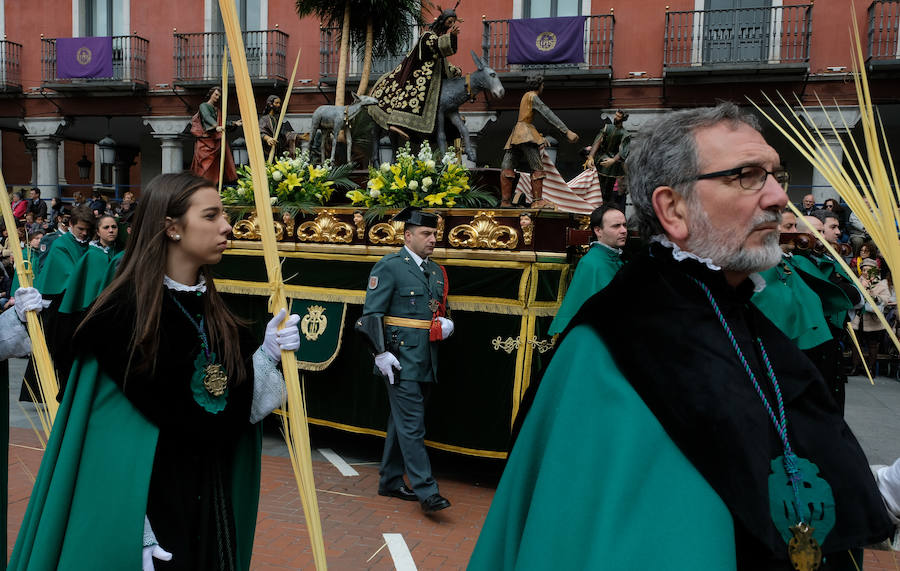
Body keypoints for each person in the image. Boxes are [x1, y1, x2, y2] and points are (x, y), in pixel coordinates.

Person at [469, 103, 891, 569]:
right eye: (748, 175)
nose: (777, 197)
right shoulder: (615, 339)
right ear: (674, 209)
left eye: (775, 174)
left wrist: (878, 487)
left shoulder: (740, 308)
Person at [10, 172, 302, 570]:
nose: (227, 227)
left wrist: (265, 357)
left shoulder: (220, 316)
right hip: (147, 511)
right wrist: (134, 527)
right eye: (212, 215)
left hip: (209, 503)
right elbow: (104, 447)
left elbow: (233, 413)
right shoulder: (117, 320)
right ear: (172, 228)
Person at [357, 206, 454, 514]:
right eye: (426, 234)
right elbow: (371, 314)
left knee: (403, 423)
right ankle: (427, 491)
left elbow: (436, 310)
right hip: (398, 359)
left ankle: (389, 479)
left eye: (435, 234)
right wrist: (380, 353)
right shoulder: (390, 266)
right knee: (412, 425)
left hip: (426, 358)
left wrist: (446, 323)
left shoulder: (436, 271)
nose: (432, 239)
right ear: (408, 235)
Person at [369, 8, 461, 140]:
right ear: (442, 21)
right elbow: (437, 47)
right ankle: (397, 123)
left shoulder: (435, 38)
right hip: (420, 75)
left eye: (453, 22)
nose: (451, 25)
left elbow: (443, 62)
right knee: (415, 94)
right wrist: (452, 36)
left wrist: (455, 70)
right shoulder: (427, 36)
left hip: (433, 78)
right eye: (449, 22)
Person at [499, 74, 579, 209]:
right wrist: (567, 131)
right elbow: (547, 114)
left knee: (507, 166)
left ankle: (505, 201)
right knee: (537, 167)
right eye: (543, 85)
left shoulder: (525, 96)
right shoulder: (532, 96)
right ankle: (537, 201)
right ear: (540, 86)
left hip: (517, 133)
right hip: (525, 133)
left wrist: (538, 135)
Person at [548, 204, 626, 335]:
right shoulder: (591, 263)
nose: (623, 230)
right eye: (616, 226)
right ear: (598, 231)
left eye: (625, 225)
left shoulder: (620, 258)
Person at [190, 86, 242, 185]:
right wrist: (215, 126)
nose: (217, 97)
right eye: (216, 94)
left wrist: (234, 123)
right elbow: (206, 117)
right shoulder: (204, 106)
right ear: (211, 94)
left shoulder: (217, 110)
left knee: (214, 168)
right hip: (205, 141)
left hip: (215, 141)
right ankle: (202, 186)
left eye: (219, 96)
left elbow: (222, 123)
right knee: (204, 167)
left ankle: (212, 185)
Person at [850, 259, 893, 375]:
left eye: (868, 269)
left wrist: (873, 296)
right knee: (856, 344)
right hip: (859, 318)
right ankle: (855, 366)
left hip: (873, 318)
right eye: (863, 269)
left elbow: (885, 298)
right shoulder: (857, 281)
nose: (865, 272)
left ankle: (870, 368)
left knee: (872, 344)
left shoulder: (882, 283)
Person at [584, 110, 630, 207]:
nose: (615, 117)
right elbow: (598, 141)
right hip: (601, 157)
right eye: (616, 115)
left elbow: (623, 149)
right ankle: (596, 202)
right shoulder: (607, 128)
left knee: (608, 188)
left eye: (618, 116)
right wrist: (591, 157)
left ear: (623, 119)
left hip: (612, 162)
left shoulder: (625, 133)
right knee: (597, 183)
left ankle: (605, 204)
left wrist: (613, 160)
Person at [259, 95, 307, 159]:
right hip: (268, 149)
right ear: (270, 104)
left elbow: (285, 133)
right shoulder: (264, 119)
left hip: (279, 149)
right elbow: (260, 132)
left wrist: (299, 136)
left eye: (279, 103)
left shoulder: (278, 119)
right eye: (276, 103)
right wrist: (268, 138)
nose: (279, 105)